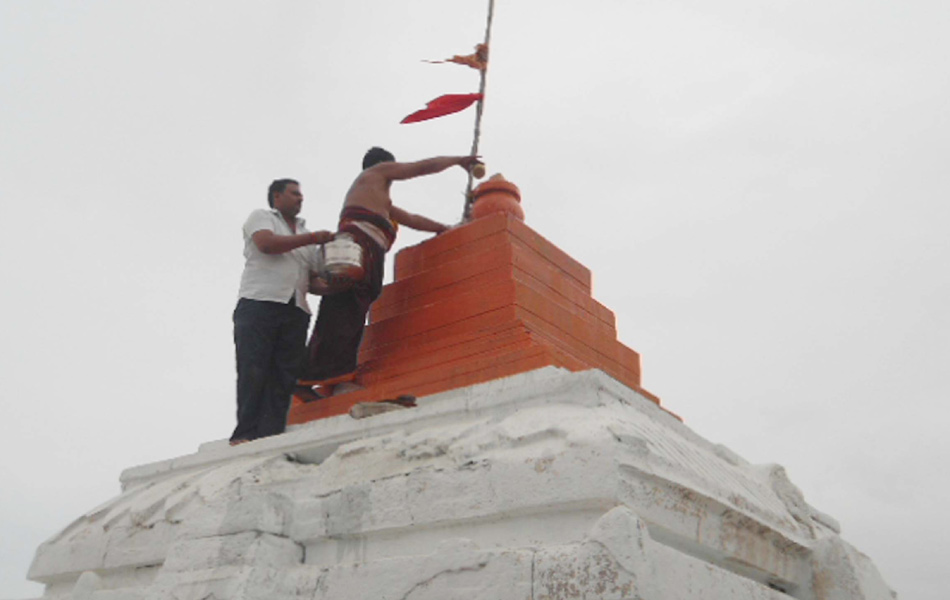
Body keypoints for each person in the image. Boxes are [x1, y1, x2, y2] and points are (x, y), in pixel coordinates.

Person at [300, 147, 480, 387]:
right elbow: (420, 167)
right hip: (360, 247)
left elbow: (413, 219)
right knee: (345, 306)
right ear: (385, 164)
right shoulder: (378, 171)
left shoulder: (380, 201)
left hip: (369, 251)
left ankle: (331, 370)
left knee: (353, 307)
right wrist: (457, 160)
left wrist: (444, 229)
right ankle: (318, 370)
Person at [230, 179, 335, 445]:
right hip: (260, 301)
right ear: (277, 197)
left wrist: (338, 285)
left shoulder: (306, 235)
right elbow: (266, 244)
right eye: (295, 193)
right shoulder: (262, 218)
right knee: (254, 367)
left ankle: (270, 435)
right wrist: (312, 238)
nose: (301, 199)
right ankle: (244, 434)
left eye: (301, 195)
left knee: (284, 375)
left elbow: (313, 282)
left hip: (295, 308)